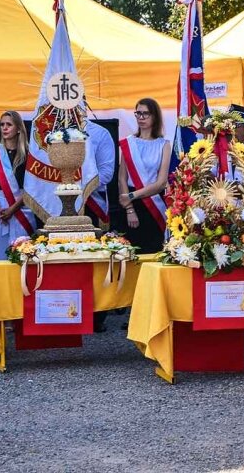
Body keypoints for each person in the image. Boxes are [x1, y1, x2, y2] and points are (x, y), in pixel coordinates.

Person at [0, 111, 36, 260]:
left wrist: (12, 209)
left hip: (22, 208)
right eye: (2, 124)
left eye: (9, 125)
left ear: (18, 129)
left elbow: (32, 188)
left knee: (23, 255)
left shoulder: (29, 155)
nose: (4, 128)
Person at [118, 98, 171, 254]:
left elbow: (161, 182)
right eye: (138, 113)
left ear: (155, 116)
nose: (141, 118)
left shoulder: (164, 144)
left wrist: (133, 195)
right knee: (130, 252)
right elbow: (122, 178)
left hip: (153, 204)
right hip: (131, 206)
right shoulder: (129, 143)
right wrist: (129, 208)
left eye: (145, 114)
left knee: (154, 250)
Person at [84, 120, 116, 333]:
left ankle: (97, 315)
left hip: (92, 203)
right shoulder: (49, 131)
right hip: (62, 204)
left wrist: (80, 186)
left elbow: (107, 172)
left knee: (95, 260)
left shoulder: (99, 133)